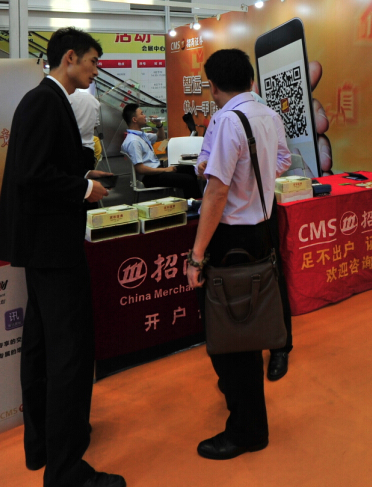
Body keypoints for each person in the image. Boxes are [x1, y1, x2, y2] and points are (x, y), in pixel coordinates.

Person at [0, 28, 124, 487]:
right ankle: (66, 470)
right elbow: (32, 174)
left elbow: (44, 164)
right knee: (69, 353)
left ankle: (45, 445)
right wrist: (84, 188)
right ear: (69, 57)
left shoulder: (49, 101)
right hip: (53, 247)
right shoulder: (44, 101)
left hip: (44, 246)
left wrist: (84, 171)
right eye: (92, 61)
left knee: (42, 345)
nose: (95, 70)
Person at [183, 49, 291, 459]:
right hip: (260, 228)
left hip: (231, 236)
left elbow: (216, 193)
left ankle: (247, 431)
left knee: (233, 333)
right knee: (245, 324)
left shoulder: (229, 119)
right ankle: (245, 414)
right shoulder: (265, 114)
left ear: (212, 85)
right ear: (249, 79)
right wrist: (253, 183)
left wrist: (196, 255)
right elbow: (279, 161)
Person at [121, 103, 204, 198]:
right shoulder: (134, 141)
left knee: (191, 169)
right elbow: (140, 169)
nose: (145, 116)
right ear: (134, 119)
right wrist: (165, 169)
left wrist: (159, 125)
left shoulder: (140, 135)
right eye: (142, 114)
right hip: (148, 177)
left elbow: (160, 137)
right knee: (188, 179)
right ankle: (195, 204)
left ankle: (194, 201)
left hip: (156, 171)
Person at [70, 86, 100, 164]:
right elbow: (94, 126)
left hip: (64, 151)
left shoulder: (58, 98)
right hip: (87, 152)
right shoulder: (92, 99)